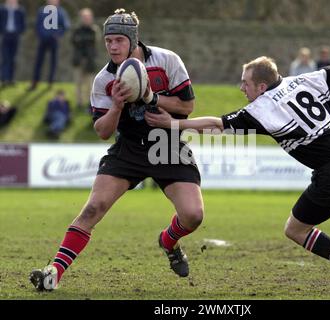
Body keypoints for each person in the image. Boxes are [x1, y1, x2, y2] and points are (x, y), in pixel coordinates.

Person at [145, 56, 330, 294]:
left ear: (261, 86)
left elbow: (216, 125)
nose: (241, 88)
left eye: (245, 83)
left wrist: (173, 124)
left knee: (295, 229)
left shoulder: (262, 108)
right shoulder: (305, 79)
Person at [30, 8, 203, 291]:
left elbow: (187, 107)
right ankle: (54, 273)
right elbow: (102, 132)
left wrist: (152, 98)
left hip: (168, 145)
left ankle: (168, 241)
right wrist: (117, 106)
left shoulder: (167, 60)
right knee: (92, 209)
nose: (112, 46)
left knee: (193, 216)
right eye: (108, 41)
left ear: (133, 40)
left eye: (118, 40)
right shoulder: (102, 80)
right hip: (130, 148)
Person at [28, 0, 70, 91]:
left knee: (53, 61)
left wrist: (57, 34)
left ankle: (51, 82)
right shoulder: (42, 10)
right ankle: (35, 81)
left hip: (54, 40)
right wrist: (41, 35)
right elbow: (38, 25)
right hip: (43, 40)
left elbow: (65, 26)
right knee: (39, 61)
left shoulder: (61, 12)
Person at [71, 8, 100, 111]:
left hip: (90, 60)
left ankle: (90, 104)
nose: (86, 19)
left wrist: (84, 41)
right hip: (78, 59)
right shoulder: (77, 30)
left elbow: (95, 43)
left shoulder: (94, 30)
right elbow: (74, 42)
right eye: (84, 17)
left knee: (90, 83)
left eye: (88, 17)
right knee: (78, 82)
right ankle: (79, 102)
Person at [0, 0, 26, 87]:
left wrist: (19, 31)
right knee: (5, 58)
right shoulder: (2, 9)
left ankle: (11, 79)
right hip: (5, 35)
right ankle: (4, 79)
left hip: (15, 36)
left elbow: (23, 24)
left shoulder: (20, 10)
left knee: (13, 58)